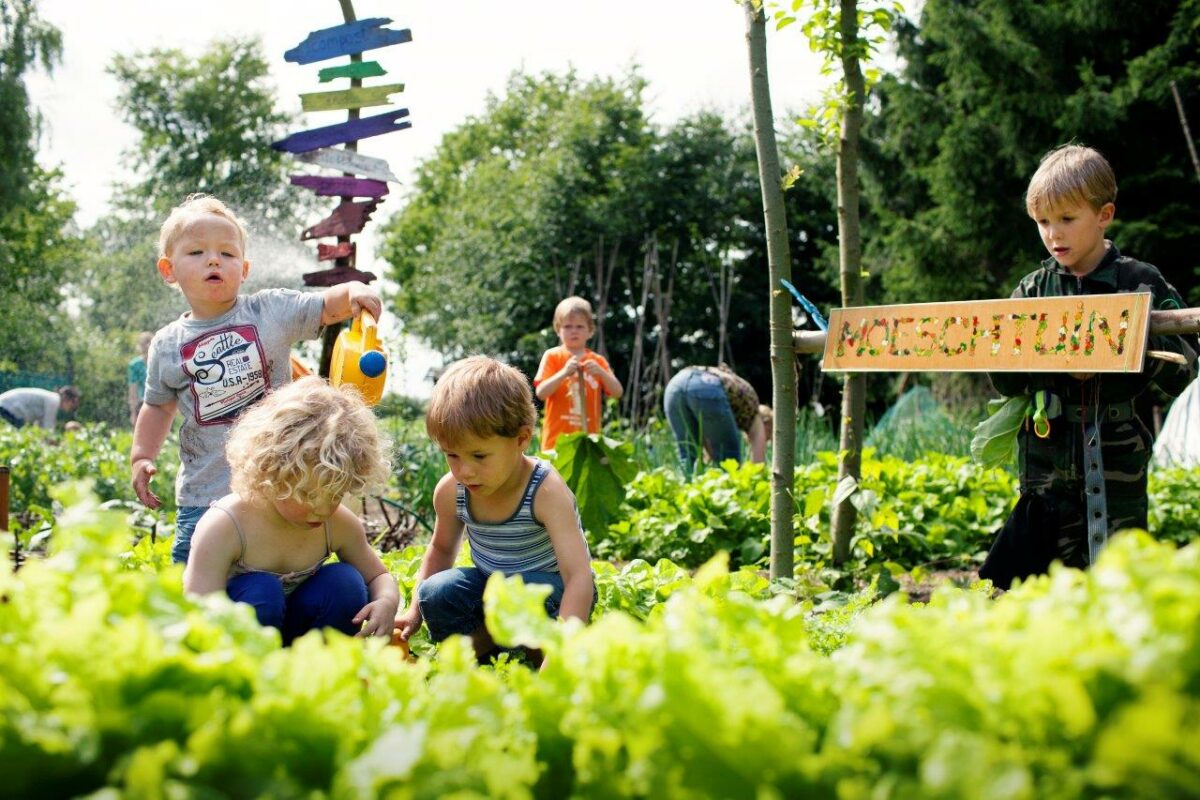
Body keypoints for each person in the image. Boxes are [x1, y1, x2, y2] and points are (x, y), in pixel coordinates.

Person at [983, 144, 1196, 586]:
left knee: (1119, 575)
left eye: (1066, 219)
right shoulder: (1033, 288)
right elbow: (1004, 378)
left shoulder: (1140, 282)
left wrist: (1124, 349)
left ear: (1104, 215)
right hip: (1047, 460)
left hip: (1118, 456)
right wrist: (1052, 364)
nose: (1052, 234)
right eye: (1043, 222)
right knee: (1045, 582)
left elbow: (1185, 371)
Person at [130, 194, 382, 564]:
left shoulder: (269, 311)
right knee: (194, 575)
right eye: (197, 252)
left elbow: (327, 306)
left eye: (227, 254)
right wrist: (142, 456)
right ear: (169, 270)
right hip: (204, 493)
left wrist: (352, 292)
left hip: (275, 491)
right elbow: (157, 406)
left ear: (243, 270)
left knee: (273, 575)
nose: (214, 259)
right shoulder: (167, 344)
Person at [394, 356, 595, 663]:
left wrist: (563, 648)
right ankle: (490, 647)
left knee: (522, 592)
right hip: (493, 590)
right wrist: (414, 612)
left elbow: (578, 576)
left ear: (521, 439)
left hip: (551, 594)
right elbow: (441, 548)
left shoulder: (545, 492)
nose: (465, 471)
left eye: (479, 456)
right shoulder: (453, 491)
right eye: (452, 455)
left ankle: (532, 650)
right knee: (437, 592)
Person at [182, 376, 398, 644]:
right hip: (238, 639)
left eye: (334, 495)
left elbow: (378, 575)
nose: (321, 509)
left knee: (346, 582)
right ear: (270, 475)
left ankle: (317, 667)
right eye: (306, 494)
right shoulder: (226, 525)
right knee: (263, 590)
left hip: (300, 635)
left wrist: (386, 600)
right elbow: (199, 607)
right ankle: (254, 673)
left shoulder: (338, 524)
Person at [533, 296, 623, 450]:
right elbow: (541, 393)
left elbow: (617, 392)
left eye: (580, 326)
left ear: (590, 330)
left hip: (589, 440)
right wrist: (564, 373)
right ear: (558, 329)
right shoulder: (553, 356)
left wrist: (601, 373)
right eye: (567, 326)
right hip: (555, 442)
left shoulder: (597, 360)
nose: (574, 331)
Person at [663, 364, 769, 476]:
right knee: (729, 461)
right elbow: (758, 465)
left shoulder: (741, 403)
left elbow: (709, 448)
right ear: (768, 425)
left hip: (675, 385)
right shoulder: (755, 414)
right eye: (769, 436)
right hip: (706, 386)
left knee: (689, 457)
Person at [0, 385, 80, 429]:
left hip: (6, 407)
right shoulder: (54, 400)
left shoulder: (51, 398)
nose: (72, 408)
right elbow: (48, 428)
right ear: (68, 399)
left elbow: (39, 427)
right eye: (73, 404)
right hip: (7, 408)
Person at [127, 331, 154, 427]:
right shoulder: (135, 365)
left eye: (148, 343)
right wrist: (133, 412)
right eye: (144, 344)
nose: (146, 346)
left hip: (158, 403)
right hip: (142, 404)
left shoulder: (159, 363)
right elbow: (133, 390)